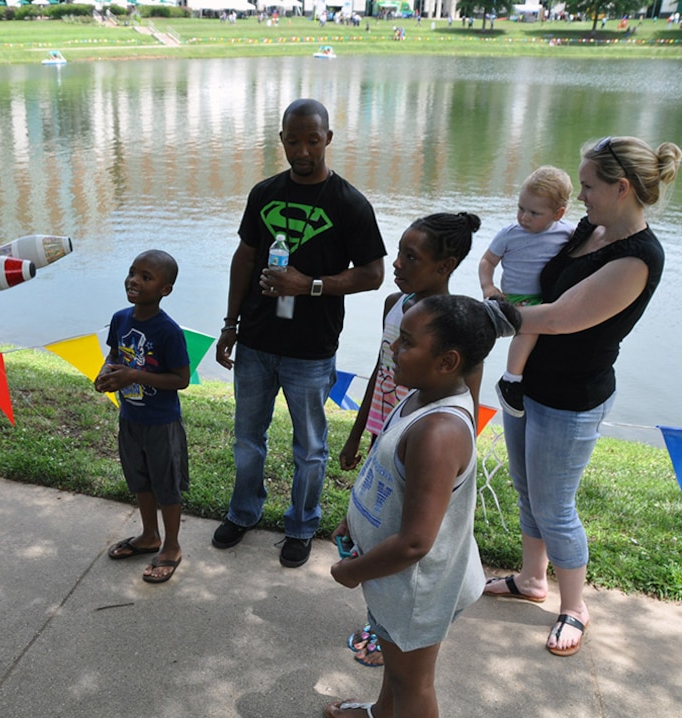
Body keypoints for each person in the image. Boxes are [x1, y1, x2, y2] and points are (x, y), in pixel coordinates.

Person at [482, 136, 681, 657]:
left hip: (572, 398)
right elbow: (538, 280)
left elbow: (560, 317)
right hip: (528, 383)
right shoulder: (587, 229)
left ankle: (575, 607)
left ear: (621, 188)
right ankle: (531, 579)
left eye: (589, 186)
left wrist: (483, 320)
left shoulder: (638, 257)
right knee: (528, 490)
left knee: (555, 505)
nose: (582, 196)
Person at [327, 295, 521, 718]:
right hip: (397, 581)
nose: (393, 350)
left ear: (448, 361)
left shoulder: (438, 432)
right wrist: (354, 518)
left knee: (412, 683)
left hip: (418, 588)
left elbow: (415, 542)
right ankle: (381, 712)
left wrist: (351, 571)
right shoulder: (421, 396)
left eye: (406, 343)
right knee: (396, 666)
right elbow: (389, 478)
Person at [213, 98, 386, 568]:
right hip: (255, 342)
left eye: (313, 139)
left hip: (310, 350)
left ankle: (302, 524)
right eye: (293, 140)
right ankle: (244, 512)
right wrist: (230, 325)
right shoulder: (264, 193)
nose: (303, 149)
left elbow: (373, 274)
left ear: (328, 139)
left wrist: (307, 285)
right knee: (248, 438)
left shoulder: (350, 204)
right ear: (283, 140)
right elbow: (245, 258)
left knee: (309, 448)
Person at [338, 211, 482, 668]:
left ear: (446, 266)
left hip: (420, 451)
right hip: (390, 434)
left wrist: (352, 571)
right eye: (398, 252)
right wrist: (358, 433)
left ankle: (391, 633)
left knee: (406, 537)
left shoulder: (459, 332)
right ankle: (381, 624)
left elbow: (462, 423)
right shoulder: (395, 308)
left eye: (410, 256)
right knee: (382, 525)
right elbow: (381, 372)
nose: (396, 263)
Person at [97, 250, 191, 584]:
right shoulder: (121, 318)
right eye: (132, 272)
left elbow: (181, 380)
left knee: (167, 485)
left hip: (161, 423)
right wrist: (106, 375)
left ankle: (172, 546)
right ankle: (149, 535)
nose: (134, 280)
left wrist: (134, 376)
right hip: (130, 419)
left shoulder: (169, 332)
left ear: (165, 289)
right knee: (139, 479)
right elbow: (113, 355)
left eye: (146, 277)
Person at [478, 166, 575, 416]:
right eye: (521, 208)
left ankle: (521, 376)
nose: (524, 217)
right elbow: (487, 261)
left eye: (534, 212)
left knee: (543, 335)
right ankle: (511, 378)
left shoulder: (568, 234)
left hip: (546, 298)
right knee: (529, 331)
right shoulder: (511, 234)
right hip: (516, 299)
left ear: (558, 213)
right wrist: (489, 286)